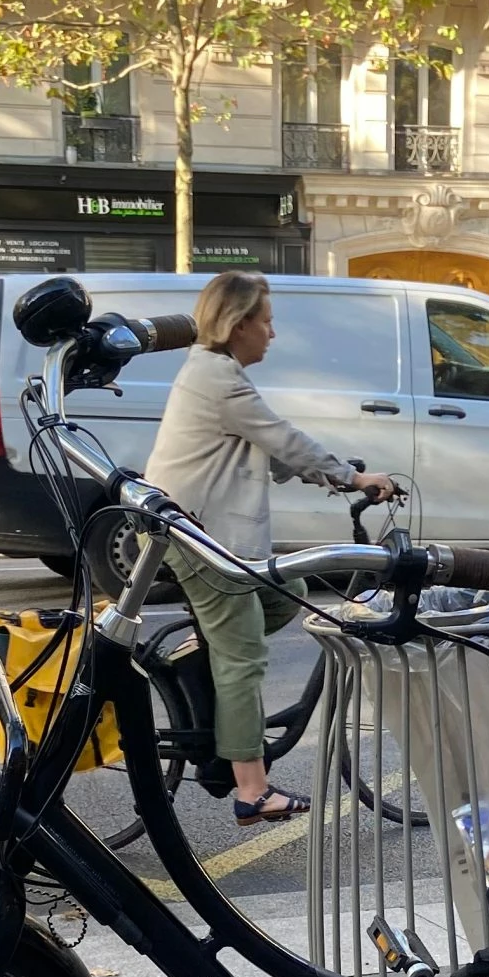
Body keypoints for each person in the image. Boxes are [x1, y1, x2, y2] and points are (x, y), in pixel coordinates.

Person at [145, 271, 399, 824]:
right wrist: (352, 480)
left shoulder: (216, 372)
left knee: (290, 591)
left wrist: (337, 474)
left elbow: (272, 448)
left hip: (203, 535)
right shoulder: (220, 379)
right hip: (203, 540)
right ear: (239, 326)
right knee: (243, 661)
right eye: (266, 322)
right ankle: (251, 791)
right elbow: (283, 436)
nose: (273, 334)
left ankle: (208, 647)